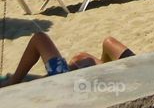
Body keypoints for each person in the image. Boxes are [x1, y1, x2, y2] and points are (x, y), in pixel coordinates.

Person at [0, 33, 135, 87]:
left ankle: (12, 82)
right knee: (104, 44)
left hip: (67, 83)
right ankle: (97, 64)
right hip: (132, 72)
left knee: (39, 38)